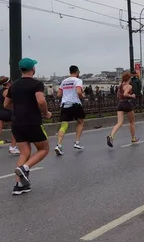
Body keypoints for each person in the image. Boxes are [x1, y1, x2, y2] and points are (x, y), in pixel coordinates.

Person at [4, 58, 52, 195]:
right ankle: (25, 168)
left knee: (24, 152)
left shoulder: (13, 86)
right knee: (44, 149)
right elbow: (41, 101)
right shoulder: (37, 84)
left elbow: (6, 104)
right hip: (32, 121)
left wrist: (19, 107)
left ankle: (19, 185)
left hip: (17, 122)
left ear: (20, 70)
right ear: (33, 69)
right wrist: (46, 113)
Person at [55, 65, 86, 155]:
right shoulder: (78, 80)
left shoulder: (64, 81)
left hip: (65, 105)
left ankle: (59, 145)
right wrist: (82, 96)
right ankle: (77, 142)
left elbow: (58, 94)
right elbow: (79, 91)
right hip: (75, 104)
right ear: (77, 72)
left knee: (64, 125)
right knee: (80, 122)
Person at [106, 71, 139, 147]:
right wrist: (132, 96)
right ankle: (133, 138)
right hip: (127, 103)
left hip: (120, 104)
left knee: (119, 123)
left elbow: (118, 95)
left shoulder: (120, 86)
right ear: (129, 78)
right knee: (132, 122)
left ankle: (111, 136)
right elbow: (125, 94)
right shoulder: (129, 86)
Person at [0, 77, 19, 154]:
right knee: (15, 129)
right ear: (8, 83)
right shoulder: (8, 91)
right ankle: (13, 147)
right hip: (8, 112)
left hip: (0, 111)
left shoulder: (0, 91)